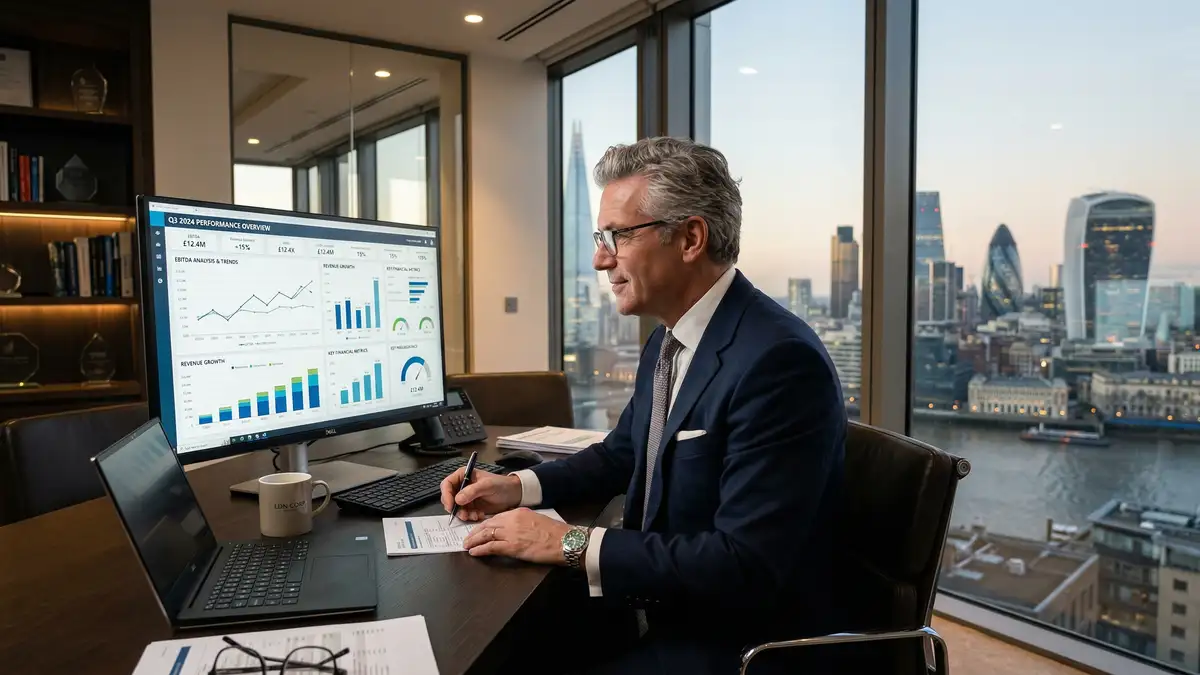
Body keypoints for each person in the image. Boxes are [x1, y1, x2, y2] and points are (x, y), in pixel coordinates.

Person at [440, 136, 845, 674]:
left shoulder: (779, 362)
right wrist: (515, 487)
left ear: (690, 238)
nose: (600, 257)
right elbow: (621, 454)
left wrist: (570, 542)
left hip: (732, 642)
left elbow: (745, 565)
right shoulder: (668, 339)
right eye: (600, 236)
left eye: (618, 236)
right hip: (656, 602)